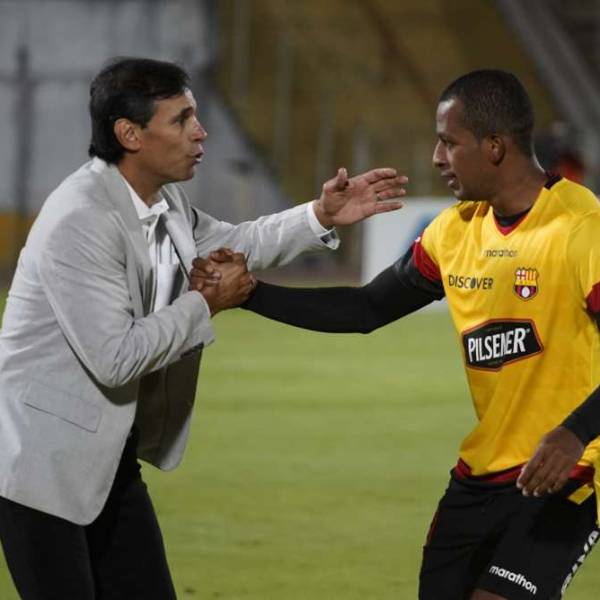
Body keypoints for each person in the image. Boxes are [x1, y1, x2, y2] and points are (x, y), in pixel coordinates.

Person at [0, 56, 408, 599]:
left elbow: (235, 243)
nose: (201, 131)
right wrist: (205, 304)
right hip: (39, 464)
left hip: (106, 453)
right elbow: (115, 358)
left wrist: (320, 214)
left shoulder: (162, 199)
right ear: (130, 135)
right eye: (182, 119)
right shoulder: (81, 219)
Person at [204, 70, 600, 599]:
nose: (437, 158)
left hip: (571, 471)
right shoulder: (453, 231)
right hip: (482, 474)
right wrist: (251, 293)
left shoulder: (582, 227)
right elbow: (366, 307)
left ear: (494, 146)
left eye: (449, 143)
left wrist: (575, 432)